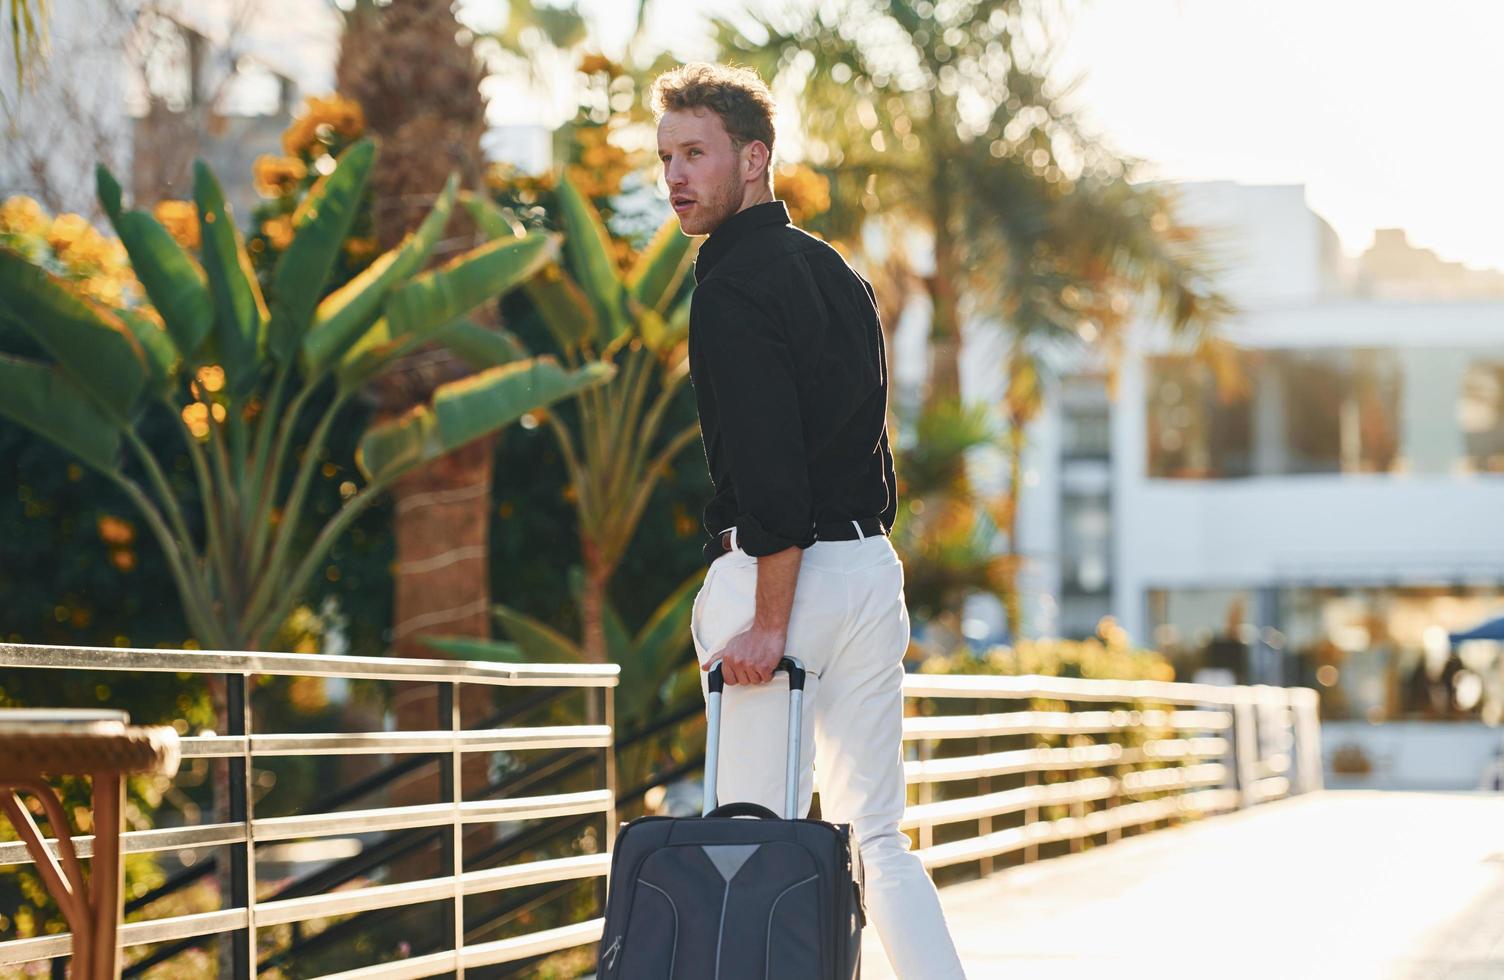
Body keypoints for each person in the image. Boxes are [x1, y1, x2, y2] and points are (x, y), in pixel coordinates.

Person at [651, 62, 968, 980]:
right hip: (870, 572)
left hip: (781, 581)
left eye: (696, 154)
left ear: (754, 159)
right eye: (668, 156)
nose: (676, 176)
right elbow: (867, 445)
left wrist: (768, 621)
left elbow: (772, 483)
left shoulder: (730, 286)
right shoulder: (836, 273)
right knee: (877, 835)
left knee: (750, 838)